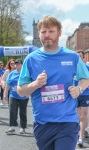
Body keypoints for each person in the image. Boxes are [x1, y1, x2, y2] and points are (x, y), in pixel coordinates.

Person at [17, 16, 89, 150]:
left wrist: (79, 89)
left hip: (67, 121)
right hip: (42, 123)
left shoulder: (72, 57)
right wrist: (36, 84)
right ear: (39, 34)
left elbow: (86, 78)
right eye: (43, 32)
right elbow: (20, 90)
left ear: (59, 33)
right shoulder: (31, 59)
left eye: (51, 31)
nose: (47, 35)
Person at [4, 59, 28, 134]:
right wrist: (5, 94)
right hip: (13, 95)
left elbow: (29, 84)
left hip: (23, 95)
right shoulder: (12, 74)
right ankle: (12, 127)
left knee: (22, 111)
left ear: (22, 65)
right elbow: (8, 84)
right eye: (16, 64)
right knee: (12, 110)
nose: (17, 65)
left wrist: (28, 93)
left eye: (18, 64)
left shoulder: (25, 74)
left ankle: (22, 127)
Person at [75, 50, 89, 148]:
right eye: (77, 56)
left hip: (85, 94)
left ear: (84, 58)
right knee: (77, 116)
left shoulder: (87, 68)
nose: (79, 58)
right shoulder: (72, 68)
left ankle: (80, 138)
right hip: (74, 96)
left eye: (80, 56)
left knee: (83, 116)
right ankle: (81, 131)